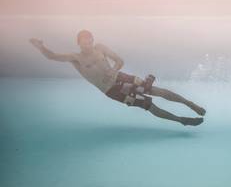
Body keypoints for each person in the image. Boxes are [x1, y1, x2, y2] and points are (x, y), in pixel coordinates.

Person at [29, 30, 205, 126]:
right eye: (84, 42)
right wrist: (41, 47)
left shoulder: (100, 48)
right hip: (111, 90)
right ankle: (181, 120)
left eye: (89, 40)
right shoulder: (76, 58)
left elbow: (120, 61)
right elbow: (52, 56)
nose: (87, 44)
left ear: (92, 40)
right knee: (148, 104)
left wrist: (113, 71)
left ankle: (190, 104)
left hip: (122, 77)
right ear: (79, 43)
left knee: (156, 90)